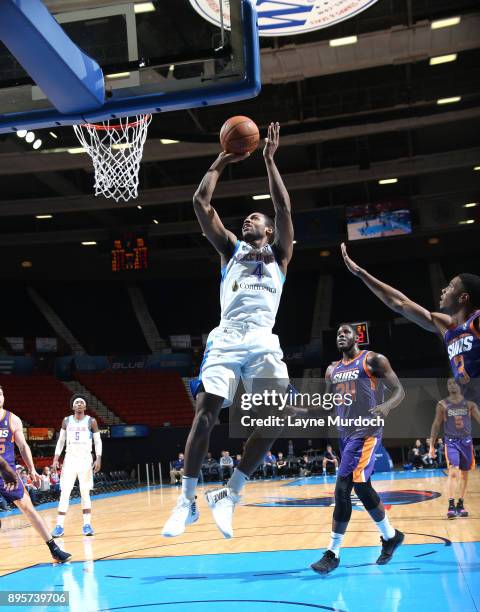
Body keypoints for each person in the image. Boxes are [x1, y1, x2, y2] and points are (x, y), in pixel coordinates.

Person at [162, 122, 294, 539]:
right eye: (247, 218)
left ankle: (230, 493)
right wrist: (222, 159)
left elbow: (285, 209)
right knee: (206, 415)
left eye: (256, 218)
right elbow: (201, 202)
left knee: (277, 418)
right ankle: (187, 500)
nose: (248, 220)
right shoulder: (230, 250)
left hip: (262, 340)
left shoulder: (281, 255)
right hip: (226, 338)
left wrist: (270, 161)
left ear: (268, 230)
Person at [311, 323, 405, 574]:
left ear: (357, 336)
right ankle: (391, 536)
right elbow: (327, 405)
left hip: (367, 431)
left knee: (344, 489)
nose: (342, 336)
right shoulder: (331, 370)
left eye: (346, 332)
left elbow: (399, 390)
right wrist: (296, 409)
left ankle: (333, 553)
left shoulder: (372, 359)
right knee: (362, 488)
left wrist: (386, 407)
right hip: (346, 435)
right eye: (339, 334)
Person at [341, 245, 480, 403]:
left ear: (463, 297)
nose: (443, 290)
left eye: (450, 286)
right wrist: (361, 274)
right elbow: (400, 303)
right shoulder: (446, 326)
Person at [0, 385, 71, 561]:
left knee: (28, 508)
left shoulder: (12, 419)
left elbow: (23, 446)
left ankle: (54, 549)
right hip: (6, 471)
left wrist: (32, 470)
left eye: (0, 393)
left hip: (8, 475)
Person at [51, 394, 102, 537]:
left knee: (85, 492)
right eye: (76, 402)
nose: (79, 404)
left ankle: (87, 525)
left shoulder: (91, 421)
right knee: (65, 492)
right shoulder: (66, 421)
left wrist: (98, 458)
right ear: (73, 406)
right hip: (70, 460)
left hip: (85, 460)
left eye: (81, 402)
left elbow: (98, 442)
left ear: (85, 406)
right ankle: (59, 526)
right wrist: (56, 459)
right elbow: (61, 441)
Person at [429, 378, 480, 518]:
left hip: (466, 443)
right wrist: (432, 446)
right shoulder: (442, 404)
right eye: (449, 384)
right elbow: (436, 424)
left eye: (454, 383)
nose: (451, 385)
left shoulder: (470, 405)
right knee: (453, 472)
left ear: (460, 385)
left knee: (464, 474)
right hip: (451, 442)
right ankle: (451, 505)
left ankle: (461, 504)